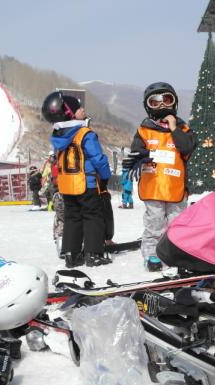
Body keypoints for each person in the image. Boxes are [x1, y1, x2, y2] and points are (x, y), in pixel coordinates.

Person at [123, 82, 197, 271]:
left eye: (167, 99)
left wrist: (174, 128)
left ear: (174, 102)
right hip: (153, 186)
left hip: (176, 188)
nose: (162, 105)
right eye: (155, 101)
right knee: (155, 224)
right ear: (148, 106)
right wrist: (139, 158)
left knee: (177, 224)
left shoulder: (183, 130)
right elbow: (137, 152)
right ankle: (152, 254)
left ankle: (176, 252)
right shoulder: (144, 130)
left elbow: (187, 148)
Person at [41, 91, 112, 268]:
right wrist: (104, 177)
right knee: (92, 216)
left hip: (67, 186)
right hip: (86, 184)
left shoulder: (58, 137)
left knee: (73, 218)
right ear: (70, 113)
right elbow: (98, 159)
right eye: (78, 108)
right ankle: (93, 254)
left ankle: (71, 255)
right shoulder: (85, 134)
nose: (82, 109)